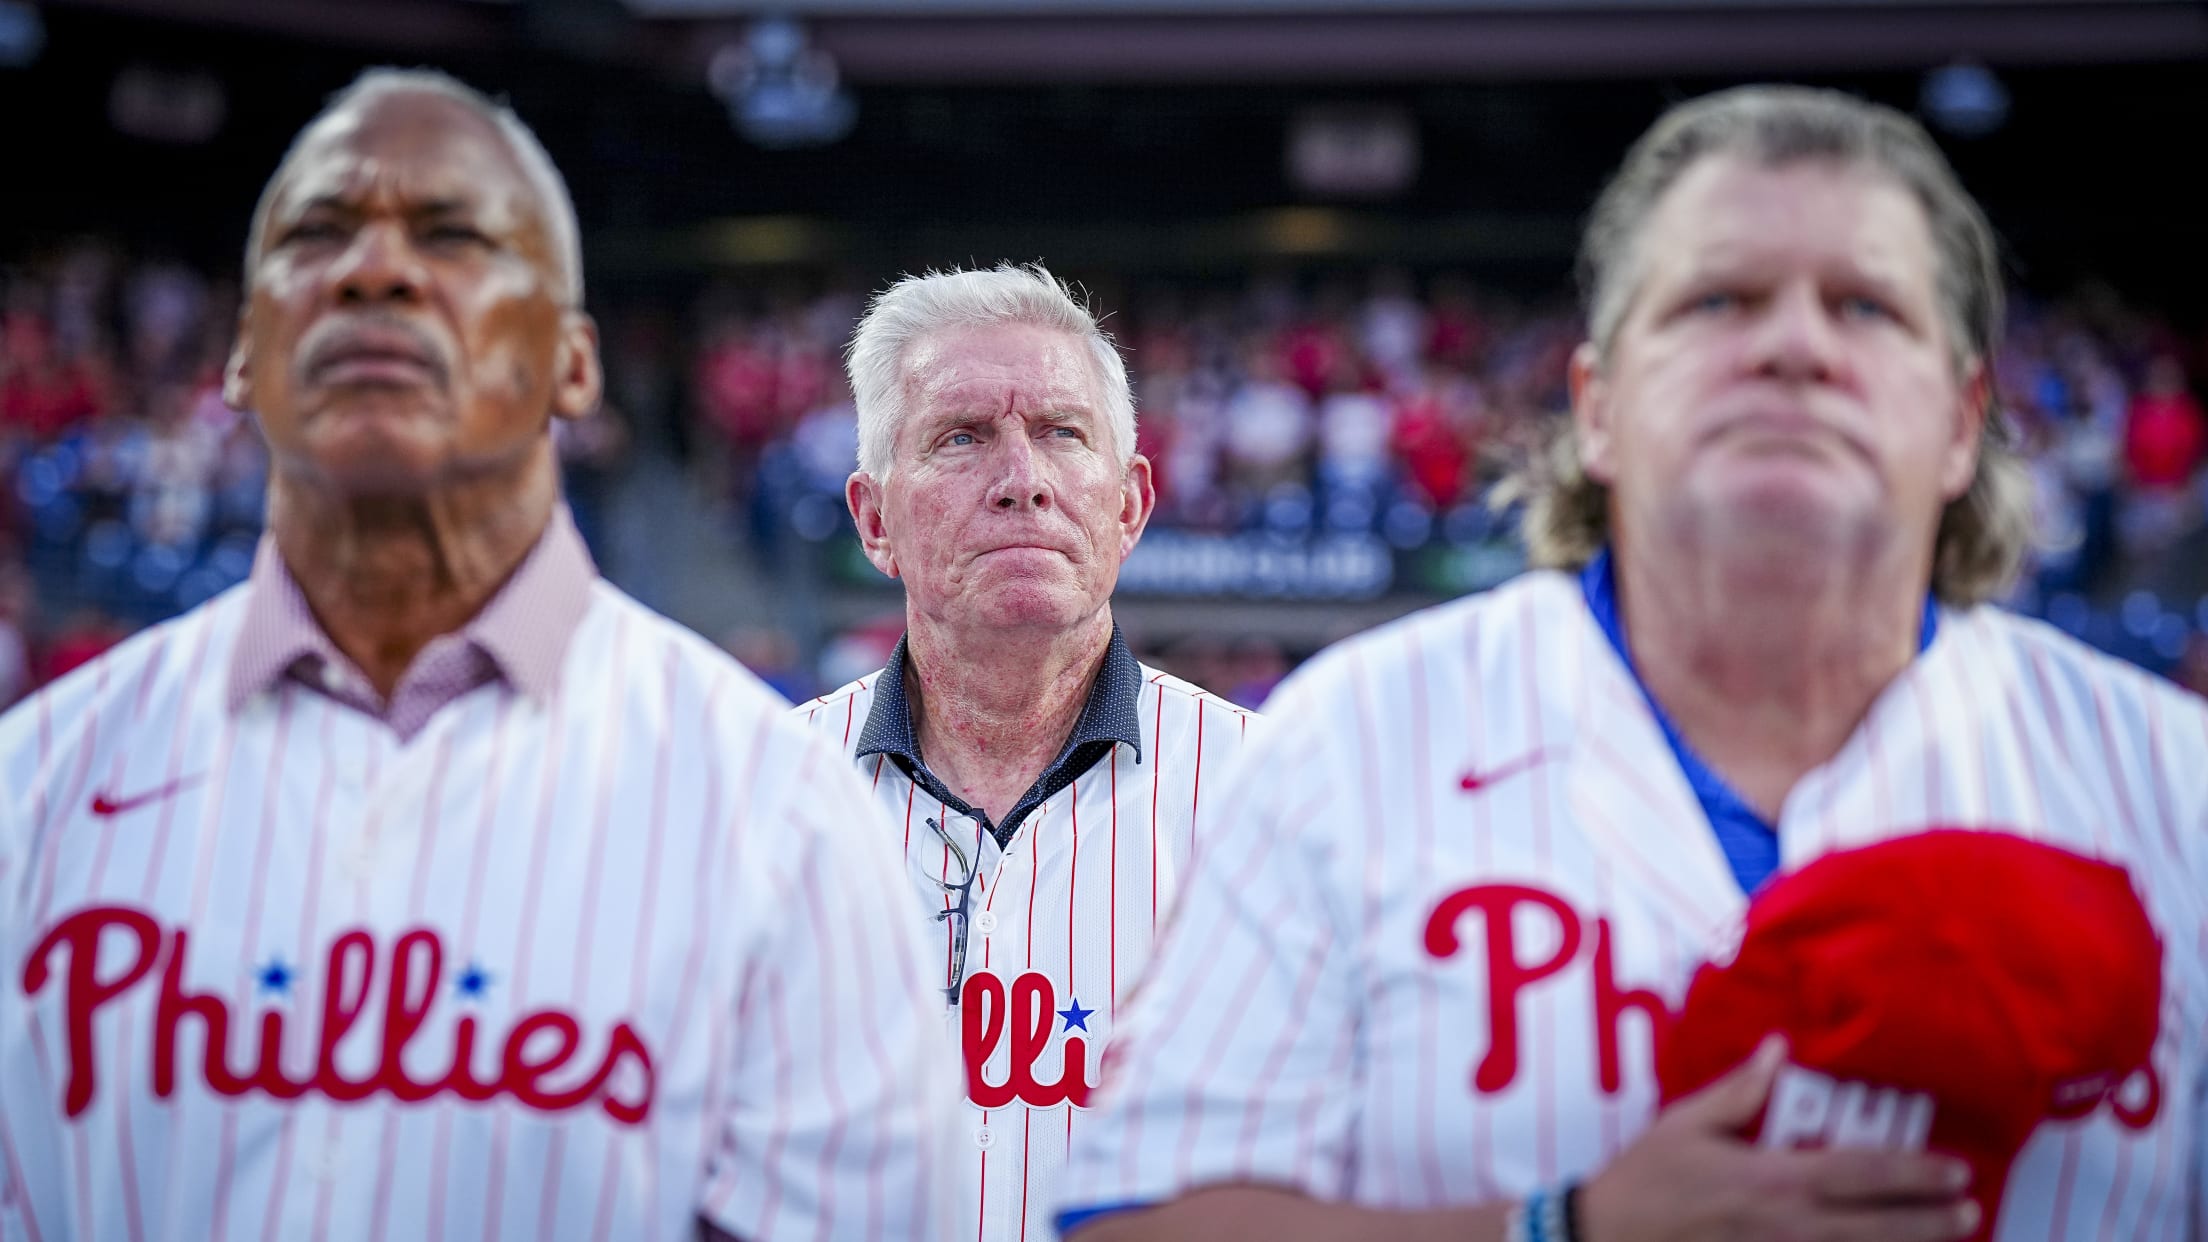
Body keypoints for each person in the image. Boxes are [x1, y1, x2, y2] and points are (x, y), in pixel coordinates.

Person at [1057, 85, 2206, 1242]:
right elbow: (1126, 1220)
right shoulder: (1351, 732)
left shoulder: (2169, 781)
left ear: (1964, 422)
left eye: (1865, 307)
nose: (1795, 345)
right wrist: (1558, 1227)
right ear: (1596, 409)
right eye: (1719, 300)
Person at [0, 68, 957, 1242]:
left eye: (454, 234)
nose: (376, 272)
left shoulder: (789, 821)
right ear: (243, 353)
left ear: (573, 362)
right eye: (317, 234)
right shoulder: (30, 787)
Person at [796, 264, 1256, 1242]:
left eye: (1062, 433)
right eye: (961, 438)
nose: (1022, 481)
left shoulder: (1275, 799)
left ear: (1129, 507)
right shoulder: (756, 802)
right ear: (875, 520)